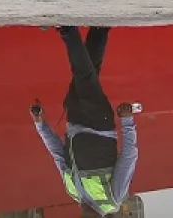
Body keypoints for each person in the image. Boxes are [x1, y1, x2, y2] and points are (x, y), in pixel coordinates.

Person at [30, 26, 139, 216]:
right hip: (99, 123)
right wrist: (127, 122)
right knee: (84, 75)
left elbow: (58, 154)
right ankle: (67, 29)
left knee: (89, 72)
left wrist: (40, 125)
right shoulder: (113, 198)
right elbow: (129, 156)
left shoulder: (74, 192)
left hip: (75, 121)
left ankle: (100, 28)